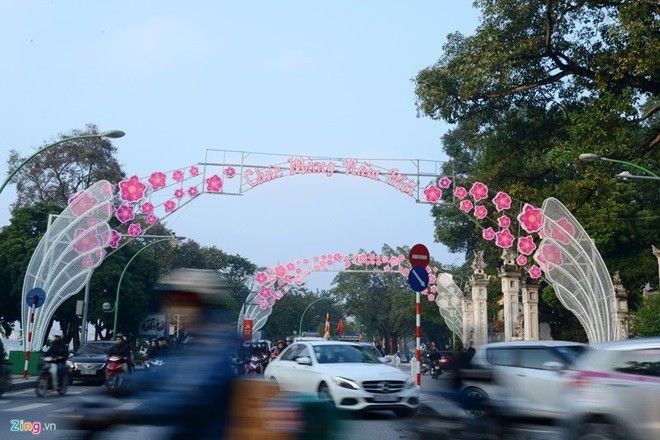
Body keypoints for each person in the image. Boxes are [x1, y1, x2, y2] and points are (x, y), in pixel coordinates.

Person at [76, 268, 239, 439]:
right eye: (172, 300)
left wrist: (119, 416)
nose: (177, 308)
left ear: (204, 304)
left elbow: (186, 396)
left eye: (185, 301)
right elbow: (168, 372)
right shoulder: (196, 341)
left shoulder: (216, 345)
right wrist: (116, 390)